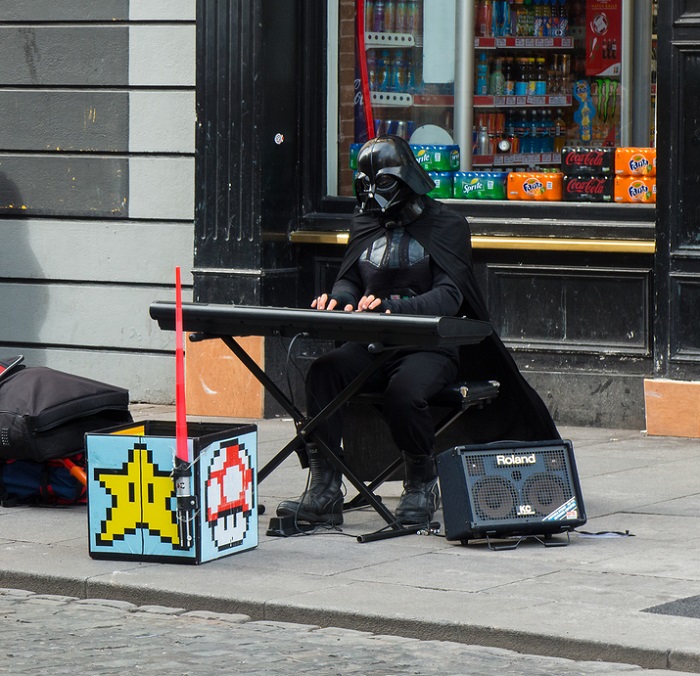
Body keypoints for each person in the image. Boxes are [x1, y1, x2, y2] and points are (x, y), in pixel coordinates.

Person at [277, 134, 559, 529]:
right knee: (324, 372)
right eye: (367, 185)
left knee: (405, 392)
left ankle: (421, 483)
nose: (374, 196)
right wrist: (338, 300)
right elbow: (352, 280)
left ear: (407, 178)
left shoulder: (447, 226)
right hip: (373, 345)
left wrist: (394, 306)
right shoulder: (363, 224)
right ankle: (325, 487)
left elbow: (449, 295)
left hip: (429, 347)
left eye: (384, 183)